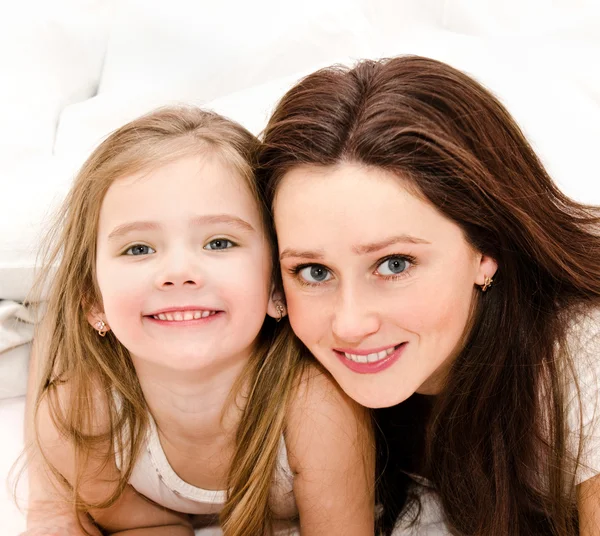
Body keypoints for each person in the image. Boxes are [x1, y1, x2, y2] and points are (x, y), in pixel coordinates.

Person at [257, 55, 600, 535]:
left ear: (486, 249)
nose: (349, 324)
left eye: (395, 265)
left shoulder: (583, 354)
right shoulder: (283, 371)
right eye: (314, 271)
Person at [22, 106, 374, 536]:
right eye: (138, 249)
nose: (177, 271)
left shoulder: (316, 408)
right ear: (93, 301)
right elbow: (146, 525)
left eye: (219, 241)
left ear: (276, 288)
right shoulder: (80, 417)